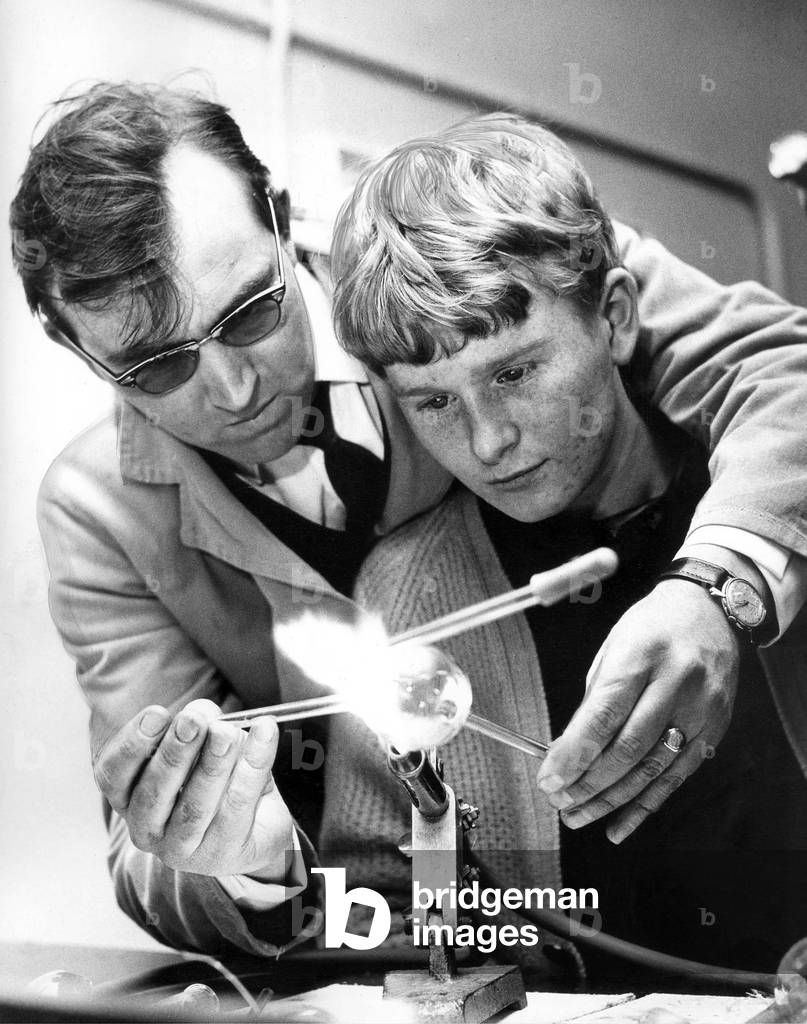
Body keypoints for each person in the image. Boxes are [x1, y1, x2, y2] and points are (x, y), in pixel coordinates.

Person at [10, 83, 807, 960]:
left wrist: (717, 588)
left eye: (248, 313)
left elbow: (777, 371)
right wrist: (246, 866)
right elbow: (146, 844)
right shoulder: (96, 511)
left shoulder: (436, 255)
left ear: (281, 220)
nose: (234, 392)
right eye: (156, 366)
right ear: (82, 353)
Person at [329, 112, 807, 975]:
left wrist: (716, 595)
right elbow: (374, 916)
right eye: (432, 401)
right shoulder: (407, 598)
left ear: (615, 317)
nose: (487, 443)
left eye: (514, 371)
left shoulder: (764, 490)